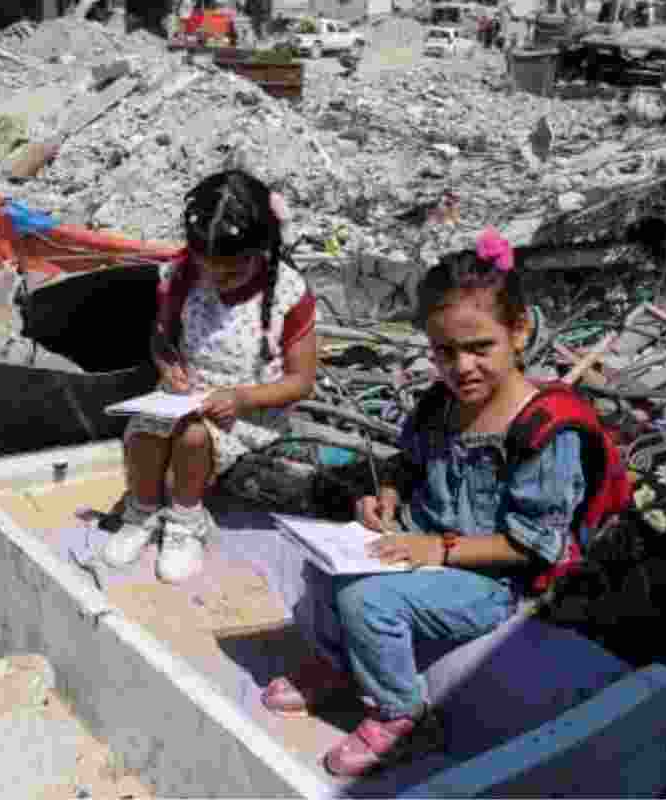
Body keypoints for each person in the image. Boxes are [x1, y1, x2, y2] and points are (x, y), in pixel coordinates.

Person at [259, 230, 622, 777]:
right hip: (426, 542)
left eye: (480, 348)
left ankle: (402, 713)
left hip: (490, 579)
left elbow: (533, 545)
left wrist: (438, 549)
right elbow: (409, 464)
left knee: (369, 601)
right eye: (445, 352)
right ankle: (339, 666)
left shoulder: (546, 430)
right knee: (328, 564)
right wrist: (386, 498)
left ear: (518, 332)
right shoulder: (441, 403)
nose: (463, 366)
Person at [99, 170, 319, 583]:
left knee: (192, 437)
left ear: (262, 249)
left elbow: (300, 380)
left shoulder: (288, 293)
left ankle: (186, 520)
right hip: (185, 397)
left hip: (246, 413)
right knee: (145, 430)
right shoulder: (180, 276)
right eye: (208, 270)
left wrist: (241, 398)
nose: (217, 282)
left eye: (231, 274)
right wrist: (168, 368)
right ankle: (142, 510)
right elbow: (161, 340)